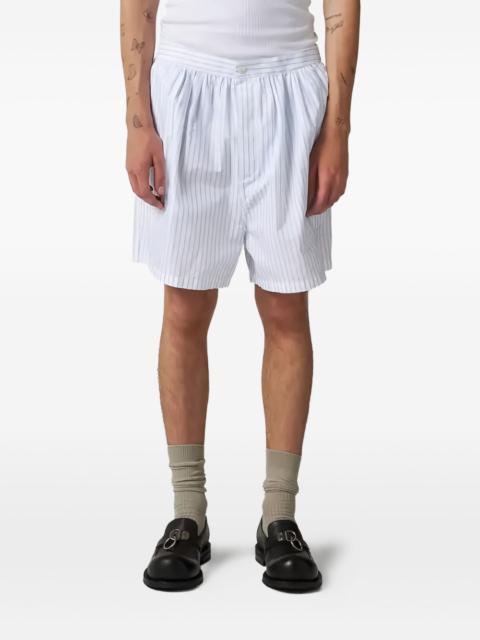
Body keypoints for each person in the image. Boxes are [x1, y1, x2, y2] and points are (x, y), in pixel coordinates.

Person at [120, 0, 360, 593]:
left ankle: (279, 515)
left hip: (288, 86)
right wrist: (138, 122)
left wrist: (337, 129)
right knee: (184, 307)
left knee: (286, 308)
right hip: (189, 87)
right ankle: (188, 514)